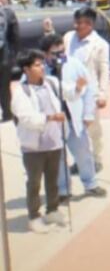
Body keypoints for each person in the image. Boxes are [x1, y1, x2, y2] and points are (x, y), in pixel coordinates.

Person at [42, 32, 105, 200]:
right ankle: (63, 190)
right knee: (58, 157)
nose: (60, 56)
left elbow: (89, 89)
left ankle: (91, 184)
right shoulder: (39, 70)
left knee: (83, 153)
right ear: (46, 54)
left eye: (62, 52)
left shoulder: (74, 64)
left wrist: (88, 114)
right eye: (56, 54)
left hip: (74, 117)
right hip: (53, 122)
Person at [13, 48, 67, 233]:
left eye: (42, 63)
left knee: (53, 181)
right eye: (37, 65)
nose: (42, 67)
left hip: (54, 143)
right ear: (26, 69)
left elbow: (68, 92)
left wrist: (78, 87)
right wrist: (51, 117)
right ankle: (34, 216)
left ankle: (52, 210)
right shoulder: (21, 92)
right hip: (33, 147)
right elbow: (27, 118)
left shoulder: (51, 84)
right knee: (34, 182)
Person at [63, 6, 110, 169]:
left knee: (93, 128)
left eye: (83, 23)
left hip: (90, 92)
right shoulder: (69, 38)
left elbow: (104, 70)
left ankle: (96, 159)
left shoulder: (100, 44)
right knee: (75, 129)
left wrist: (103, 94)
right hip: (71, 90)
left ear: (90, 24)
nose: (79, 26)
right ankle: (80, 160)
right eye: (77, 22)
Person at [0, 0, 18, 121]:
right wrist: (14, 56)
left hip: (4, 56)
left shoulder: (7, 13)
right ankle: (7, 113)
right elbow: (15, 37)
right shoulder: (8, 13)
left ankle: (7, 112)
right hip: (4, 56)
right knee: (4, 86)